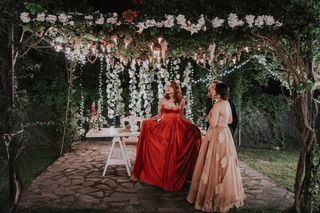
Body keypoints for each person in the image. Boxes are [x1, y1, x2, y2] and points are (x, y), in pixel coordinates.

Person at [132, 80, 202, 191]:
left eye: (170, 86)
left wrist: (192, 125)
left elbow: (182, 116)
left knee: (176, 152)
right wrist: (148, 121)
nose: (168, 88)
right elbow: (159, 115)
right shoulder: (163, 100)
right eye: (167, 86)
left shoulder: (181, 100)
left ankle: (174, 176)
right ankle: (161, 176)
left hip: (177, 127)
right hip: (164, 127)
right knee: (164, 151)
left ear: (175, 88)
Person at [187, 82, 245, 212]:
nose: (210, 91)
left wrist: (211, 115)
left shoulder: (218, 104)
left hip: (216, 135)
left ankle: (212, 196)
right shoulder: (227, 103)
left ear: (218, 91)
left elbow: (212, 124)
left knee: (213, 163)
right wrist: (221, 119)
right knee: (224, 164)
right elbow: (229, 120)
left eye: (212, 89)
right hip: (226, 135)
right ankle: (223, 194)